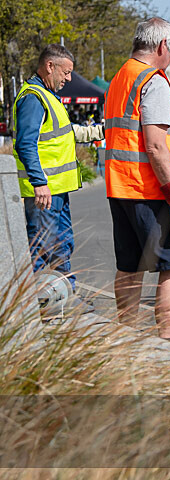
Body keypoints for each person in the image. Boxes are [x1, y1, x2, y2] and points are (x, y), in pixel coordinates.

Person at [104, 17, 170, 371]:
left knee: (129, 268)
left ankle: (125, 343)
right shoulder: (154, 81)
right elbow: (156, 145)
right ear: (163, 46)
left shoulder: (121, 77)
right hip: (154, 193)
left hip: (122, 188)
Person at [12, 44, 104, 310]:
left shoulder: (47, 96)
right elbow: (25, 143)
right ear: (50, 66)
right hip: (44, 193)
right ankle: (46, 304)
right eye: (66, 72)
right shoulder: (34, 97)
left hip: (54, 192)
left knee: (60, 244)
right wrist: (39, 183)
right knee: (45, 247)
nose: (69, 79)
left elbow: (64, 133)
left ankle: (63, 297)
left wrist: (98, 132)